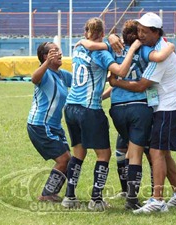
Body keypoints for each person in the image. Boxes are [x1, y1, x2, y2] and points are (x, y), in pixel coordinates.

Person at [78, 19, 175, 210]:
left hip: (117, 109)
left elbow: (111, 76)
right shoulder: (143, 49)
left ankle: (126, 191)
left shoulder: (113, 50)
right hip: (139, 107)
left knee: (125, 150)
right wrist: (169, 46)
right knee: (137, 154)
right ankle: (132, 198)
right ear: (138, 35)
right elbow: (157, 57)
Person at [109, 12, 176, 214]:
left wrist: (116, 82)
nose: (140, 35)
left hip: (169, 107)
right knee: (164, 153)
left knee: (156, 152)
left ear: (156, 32)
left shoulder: (160, 54)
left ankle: (158, 200)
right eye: (139, 30)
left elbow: (141, 86)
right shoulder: (155, 46)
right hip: (163, 105)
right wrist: (112, 37)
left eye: (145, 31)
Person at [60, 17, 141, 211]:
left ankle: (69, 196)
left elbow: (93, 78)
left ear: (85, 32)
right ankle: (96, 199)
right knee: (103, 153)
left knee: (79, 152)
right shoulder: (102, 53)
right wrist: (130, 50)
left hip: (71, 107)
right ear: (103, 34)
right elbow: (120, 70)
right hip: (89, 110)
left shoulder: (78, 48)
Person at [27, 42, 72, 202]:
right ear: (46, 57)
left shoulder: (61, 75)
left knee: (69, 160)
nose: (59, 53)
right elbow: (34, 78)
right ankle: (46, 195)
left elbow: (80, 83)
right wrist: (45, 64)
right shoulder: (44, 73)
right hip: (40, 124)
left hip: (55, 126)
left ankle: (50, 193)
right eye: (54, 51)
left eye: (59, 50)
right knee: (64, 159)